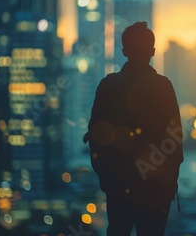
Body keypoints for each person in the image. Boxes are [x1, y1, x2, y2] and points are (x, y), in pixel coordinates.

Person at [83, 21, 183, 236]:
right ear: (153, 52)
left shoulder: (108, 85)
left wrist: (107, 178)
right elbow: (175, 138)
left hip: (119, 185)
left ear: (124, 51)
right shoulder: (163, 86)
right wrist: (169, 180)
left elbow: (96, 137)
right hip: (156, 185)